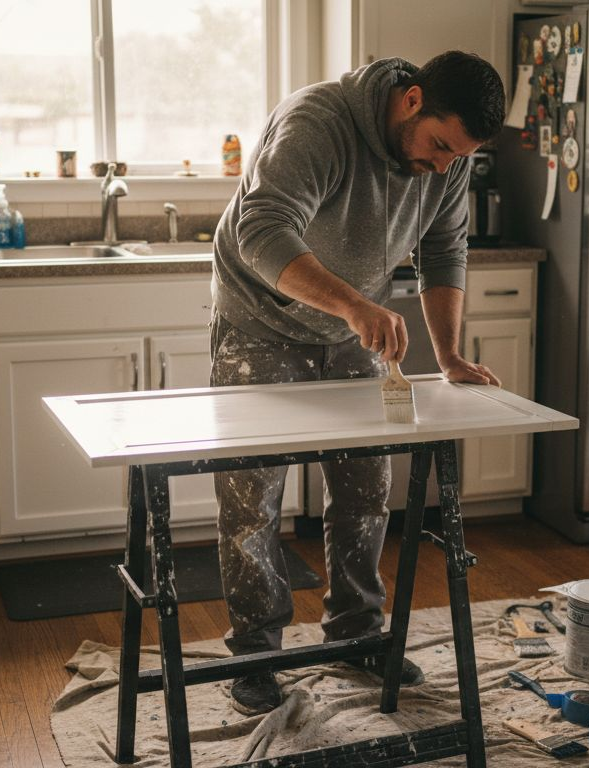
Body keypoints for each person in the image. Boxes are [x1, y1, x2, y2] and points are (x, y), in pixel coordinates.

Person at [208, 51, 505, 715]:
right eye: (439, 146)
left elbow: (443, 250)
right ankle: (256, 653)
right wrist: (352, 304)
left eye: (458, 155)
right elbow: (262, 229)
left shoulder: (446, 162)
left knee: (366, 488)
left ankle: (355, 634)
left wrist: (451, 353)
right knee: (253, 501)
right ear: (411, 100)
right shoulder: (318, 121)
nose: (444, 165)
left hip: (351, 327)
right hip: (261, 321)